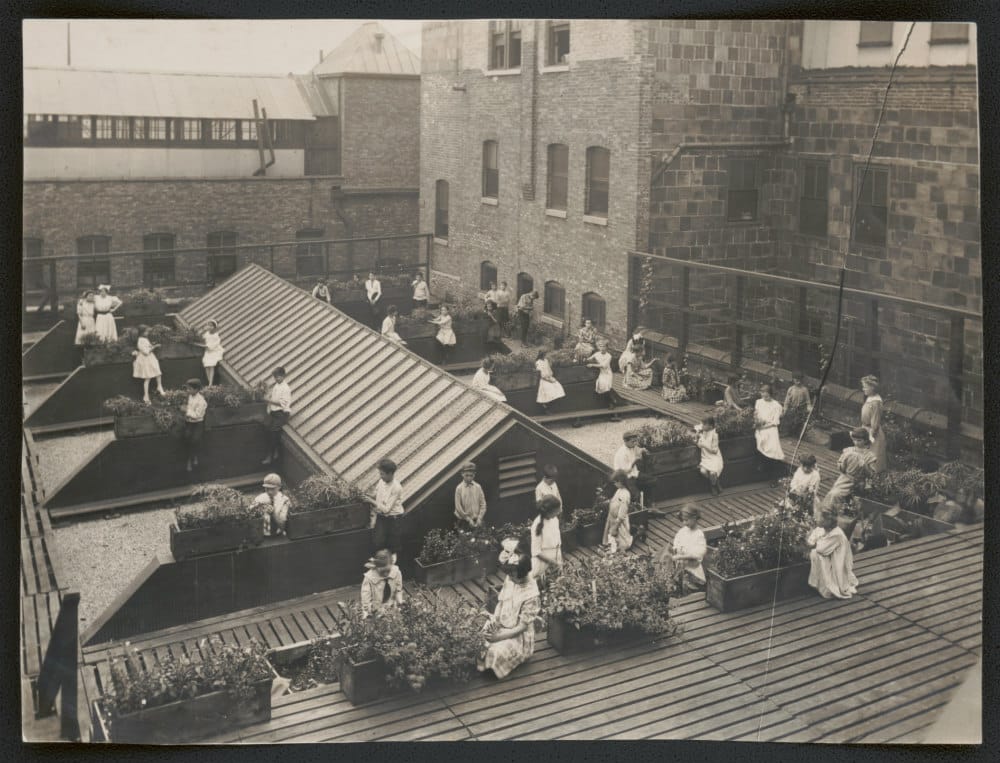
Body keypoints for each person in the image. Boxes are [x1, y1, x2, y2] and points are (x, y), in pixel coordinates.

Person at [478, 537, 541, 680]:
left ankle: (495, 668)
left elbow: (522, 627)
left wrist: (499, 637)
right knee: (481, 639)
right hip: (502, 623)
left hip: (517, 634)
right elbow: (501, 602)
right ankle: (486, 665)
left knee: (495, 651)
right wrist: (495, 620)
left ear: (523, 573)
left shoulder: (531, 595)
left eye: (513, 575)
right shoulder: (512, 578)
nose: (510, 578)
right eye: (509, 575)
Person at [821, 428, 877, 513]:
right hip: (845, 478)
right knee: (833, 493)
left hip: (858, 482)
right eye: (854, 440)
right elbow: (840, 467)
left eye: (859, 440)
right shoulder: (849, 450)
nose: (856, 443)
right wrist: (843, 462)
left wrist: (864, 465)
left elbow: (871, 474)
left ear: (865, 440)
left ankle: (835, 512)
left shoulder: (870, 456)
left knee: (838, 496)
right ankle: (826, 511)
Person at [807, 511, 859, 600]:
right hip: (829, 555)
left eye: (820, 518)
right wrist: (815, 542)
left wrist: (815, 542)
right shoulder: (822, 529)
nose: (817, 519)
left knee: (816, 554)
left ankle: (828, 585)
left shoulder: (836, 534)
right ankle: (819, 582)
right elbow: (811, 539)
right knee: (815, 553)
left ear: (828, 521)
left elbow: (821, 549)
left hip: (837, 563)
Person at [660, 504, 707, 594]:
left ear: (694, 518)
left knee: (688, 582)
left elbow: (698, 554)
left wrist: (682, 556)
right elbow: (677, 541)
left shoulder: (698, 534)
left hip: (693, 567)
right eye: (683, 520)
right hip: (681, 565)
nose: (684, 523)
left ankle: (690, 591)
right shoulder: (682, 531)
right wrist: (675, 549)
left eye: (687, 520)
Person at [371, 458, 404, 560]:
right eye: (380, 473)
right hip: (382, 517)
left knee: (392, 546)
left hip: (393, 519)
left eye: (382, 474)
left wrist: (371, 501)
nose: (380, 476)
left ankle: (391, 567)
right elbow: (374, 494)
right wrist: (367, 497)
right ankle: (380, 564)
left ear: (390, 473)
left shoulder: (397, 487)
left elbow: (386, 510)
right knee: (378, 542)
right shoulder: (381, 481)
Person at [613, 430, 656, 506]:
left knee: (652, 480)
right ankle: (640, 509)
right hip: (625, 478)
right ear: (625, 441)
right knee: (636, 495)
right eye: (633, 441)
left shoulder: (632, 446)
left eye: (636, 441)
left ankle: (649, 503)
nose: (635, 443)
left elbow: (638, 449)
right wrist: (635, 460)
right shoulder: (621, 453)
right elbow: (626, 471)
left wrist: (642, 450)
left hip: (634, 474)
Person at [754, 384, 785, 486]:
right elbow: (756, 415)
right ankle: (763, 470)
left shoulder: (776, 406)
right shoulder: (759, 402)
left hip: (770, 430)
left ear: (771, 394)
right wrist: (757, 422)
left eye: (767, 395)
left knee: (773, 453)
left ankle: (774, 479)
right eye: (762, 394)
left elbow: (775, 422)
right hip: (760, 429)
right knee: (761, 449)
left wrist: (763, 427)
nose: (764, 397)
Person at [262, 366, 292, 465]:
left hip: (282, 413)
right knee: (267, 427)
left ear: (283, 376)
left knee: (274, 431)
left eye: (278, 377)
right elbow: (273, 397)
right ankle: (275, 451)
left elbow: (282, 403)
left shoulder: (286, 388)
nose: (276, 379)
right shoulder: (277, 385)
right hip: (275, 412)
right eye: (275, 377)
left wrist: (268, 400)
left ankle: (271, 455)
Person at [360, 549, 404, 617]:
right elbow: (365, 598)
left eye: (388, 570)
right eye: (383, 571)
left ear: (391, 565)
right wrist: (367, 611)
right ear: (376, 567)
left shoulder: (396, 572)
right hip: (375, 609)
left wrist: (400, 601)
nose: (386, 574)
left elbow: (398, 590)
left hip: (391, 606)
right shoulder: (369, 578)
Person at [530, 495, 563, 582]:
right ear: (549, 511)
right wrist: (552, 562)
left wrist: (558, 562)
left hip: (557, 559)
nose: (559, 512)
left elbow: (557, 542)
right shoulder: (537, 525)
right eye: (557, 510)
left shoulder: (555, 520)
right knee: (542, 583)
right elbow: (536, 552)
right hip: (543, 563)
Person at [860, 375, 887, 473]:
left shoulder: (876, 402)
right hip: (866, 429)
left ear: (872, 387)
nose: (863, 389)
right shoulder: (870, 398)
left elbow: (875, 422)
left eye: (865, 387)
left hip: (873, 433)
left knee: (872, 461)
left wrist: (870, 437)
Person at [132, 325, 166, 404]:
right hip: (145, 360)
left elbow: (148, 347)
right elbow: (146, 352)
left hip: (151, 358)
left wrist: (152, 345)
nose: (148, 333)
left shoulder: (145, 339)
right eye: (146, 331)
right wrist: (154, 347)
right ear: (142, 332)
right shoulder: (140, 341)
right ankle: (146, 396)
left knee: (158, 372)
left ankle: (159, 386)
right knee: (147, 378)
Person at [587, 339, 620, 419]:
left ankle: (611, 402)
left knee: (606, 385)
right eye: (600, 346)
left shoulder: (609, 356)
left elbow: (604, 365)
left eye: (604, 347)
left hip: (607, 373)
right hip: (601, 373)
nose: (602, 348)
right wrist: (585, 359)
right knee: (601, 385)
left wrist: (592, 365)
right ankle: (610, 400)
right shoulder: (597, 354)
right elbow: (589, 359)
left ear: (606, 348)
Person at [181, 378, 207, 472]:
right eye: (187, 388)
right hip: (189, 423)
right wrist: (185, 408)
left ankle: (194, 457)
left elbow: (197, 415)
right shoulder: (190, 396)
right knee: (187, 439)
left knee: (195, 440)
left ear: (196, 389)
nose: (188, 390)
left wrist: (186, 411)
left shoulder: (201, 401)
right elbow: (187, 406)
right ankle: (189, 459)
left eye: (190, 389)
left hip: (197, 424)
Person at [603, 470, 633, 552]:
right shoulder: (619, 490)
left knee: (620, 537)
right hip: (612, 518)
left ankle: (621, 546)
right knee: (611, 535)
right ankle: (611, 545)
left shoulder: (626, 494)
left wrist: (616, 524)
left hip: (619, 520)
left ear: (621, 481)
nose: (614, 484)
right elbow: (615, 500)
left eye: (615, 482)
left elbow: (623, 511)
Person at [788, 453, 822, 520]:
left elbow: (814, 489)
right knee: (791, 506)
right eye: (803, 466)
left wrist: (809, 489)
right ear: (800, 464)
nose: (805, 469)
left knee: (806, 512)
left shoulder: (815, 475)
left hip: (807, 498)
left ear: (813, 466)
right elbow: (794, 481)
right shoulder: (799, 470)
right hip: (796, 493)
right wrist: (795, 488)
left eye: (808, 467)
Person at [696, 416, 724, 496]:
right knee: (703, 471)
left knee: (712, 473)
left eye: (704, 424)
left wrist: (704, 445)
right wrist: (697, 437)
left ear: (710, 426)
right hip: (705, 457)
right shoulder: (703, 433)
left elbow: (714, 451)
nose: (702, 426)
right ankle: (716, 482)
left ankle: (713, 486)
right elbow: (699, 445)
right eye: (702, 424)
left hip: (714, 458)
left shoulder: (714, 435)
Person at [454, 462, 487, 529]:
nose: (469, 478)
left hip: (478, 520)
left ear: (474, 474)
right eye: (466, 475)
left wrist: (480, 518)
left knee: (482, 534)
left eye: (471, 475)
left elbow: (483, 504)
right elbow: (458, 507)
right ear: (462, 474)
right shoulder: (459, 488)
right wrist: (468, 519)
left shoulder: (478, 487)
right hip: (464, 521)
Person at [535, 349, 566, 414]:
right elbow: (541, 375)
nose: (546, 355)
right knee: (550, 393)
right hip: (544, 380)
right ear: (542, 354)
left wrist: (551, 378)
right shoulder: (538, 362)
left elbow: (549, 369)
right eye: (545, 354)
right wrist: (548, 380)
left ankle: (547, 406)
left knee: (559, 390)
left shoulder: (546, 360)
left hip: (550, 378)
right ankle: (546, 407)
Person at [198, 320, 225, 386]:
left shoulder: (216, 335)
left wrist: (209, 346)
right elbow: (200, 336)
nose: (209, 327)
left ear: (214, 327)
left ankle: (210, 383)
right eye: (208, 325)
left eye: (211, 326)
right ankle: (209, 382)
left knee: (211, 365)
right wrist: (203, 330)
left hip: (214, 351)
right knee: (206, 365)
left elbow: (216, 344)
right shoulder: (206, 334)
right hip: (208, 351)